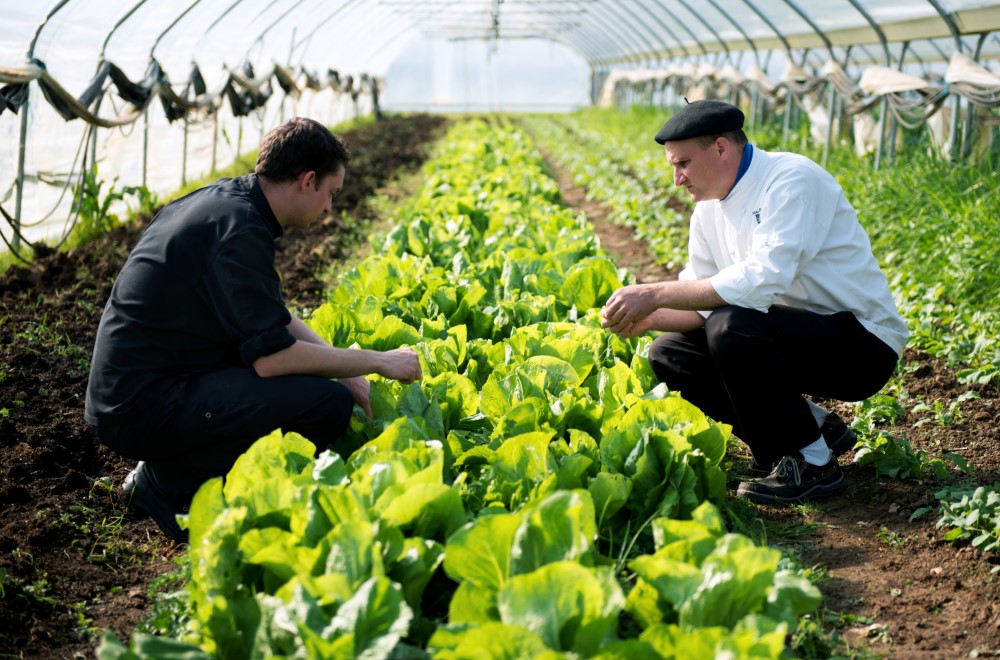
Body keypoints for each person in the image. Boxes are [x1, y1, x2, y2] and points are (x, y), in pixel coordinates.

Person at [85, 117, 422, 542]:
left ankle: (173, 469)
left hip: (145, 386)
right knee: (324, 404)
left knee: (328, 385)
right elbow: (272, 359)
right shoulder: (240, 230)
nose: (329, 210)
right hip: (139, 407)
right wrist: (379, 362)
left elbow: (269, 314)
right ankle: (166, 485)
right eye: (330, 195)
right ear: (307, 180)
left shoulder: (229, 203)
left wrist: (351, 374)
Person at [601, 99, 908, 505]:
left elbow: (761, 282)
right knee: (668, 354)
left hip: (861, 345)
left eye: (684, 164)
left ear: (722, 148)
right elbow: (701, 302)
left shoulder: (790, 180)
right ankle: (819, 429)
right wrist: (649, 318)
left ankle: (811, 462)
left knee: (732, 326)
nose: (677, 178)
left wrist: (653, 292)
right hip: (792, 338)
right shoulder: (707, 211)